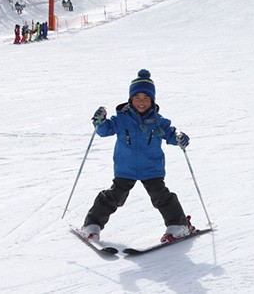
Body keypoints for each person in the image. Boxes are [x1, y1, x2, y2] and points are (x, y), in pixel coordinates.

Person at [80, 69, 194, 243]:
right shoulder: (121, 119)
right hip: (125, 169)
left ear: (152, 100)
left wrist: (179, 137)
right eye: (137, 98)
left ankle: (179, 225)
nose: (142, 102)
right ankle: (92, 225)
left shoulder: (157, 121)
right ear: (130, 99)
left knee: (161, 197)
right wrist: (100, 122)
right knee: (113, 197)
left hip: (151, 168)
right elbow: (105, 130)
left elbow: (170, 133)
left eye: (146, 98)